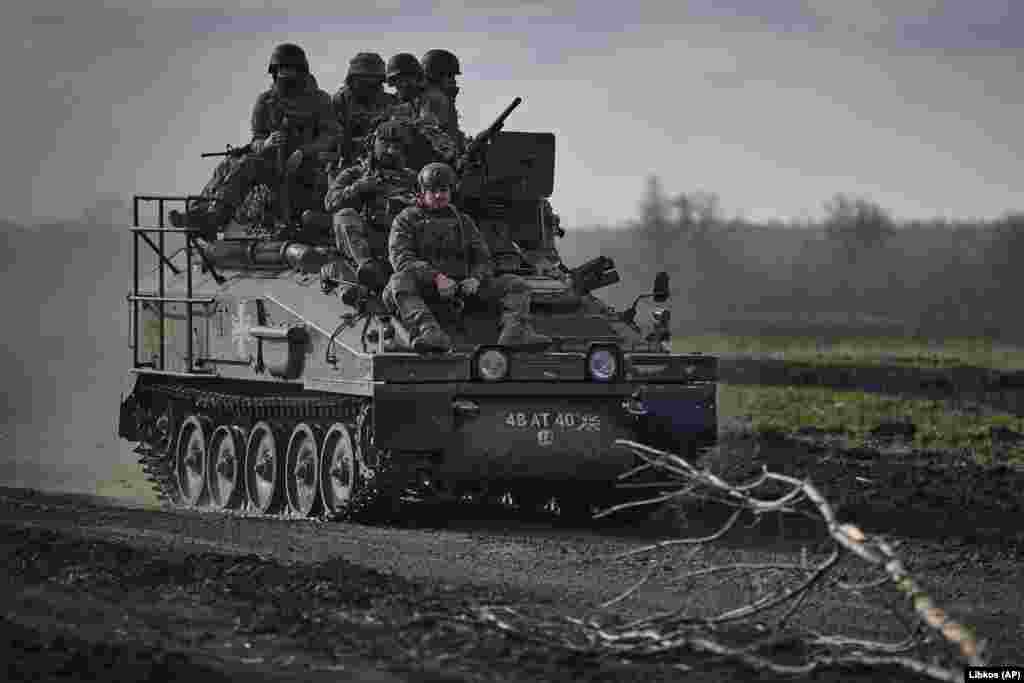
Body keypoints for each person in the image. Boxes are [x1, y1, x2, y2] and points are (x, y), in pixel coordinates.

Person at [170, 43, 340, 236]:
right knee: (233, 164)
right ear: (275, 73)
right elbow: (256, 139)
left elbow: (331, 136)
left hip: (308, 169)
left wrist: (303, 152)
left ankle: (212, 217)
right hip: (272, 166)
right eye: (282, 71)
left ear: (301, 72)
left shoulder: (319, 100)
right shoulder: (266, 101)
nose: (286, 76)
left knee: (246, 164)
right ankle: (204, 214)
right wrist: (266, 143)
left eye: (291, 71)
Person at [385, 162, 552, 352]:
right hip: (427, 289)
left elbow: (483, 258)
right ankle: (429, 332)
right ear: (423, 192)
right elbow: (402, 259)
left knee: (515, 284)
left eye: (443, 190)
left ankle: (515, 334)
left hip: (464, 288)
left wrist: (476, 278)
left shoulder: (464, 221)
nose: (439, 195)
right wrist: (436, 278)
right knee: (398, 281)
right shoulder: (406, 219)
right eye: (433, 191)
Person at [324, 119, 419, 287]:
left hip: (400, 239)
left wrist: (412, 203)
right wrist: (358, 188)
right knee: (344, 216)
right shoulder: (355, 173)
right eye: (385, 144)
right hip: (367, 239)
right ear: (374, 144)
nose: (390, 151)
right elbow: (330, 202)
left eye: (396, 146)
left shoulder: (412, 177)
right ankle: (367, 266)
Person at [332, 52, 396, 163]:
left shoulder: (391, 102)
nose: (370, 85)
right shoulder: (339, 101)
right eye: (364, 81)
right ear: (352, 80)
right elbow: (333, 136)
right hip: (347, 162)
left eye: (375, 81)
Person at [420, 49, 467, 150]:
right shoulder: (434, 99)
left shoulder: (442, 98)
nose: (454, 81)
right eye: (450, 76)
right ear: (436, 75)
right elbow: (433, 133)